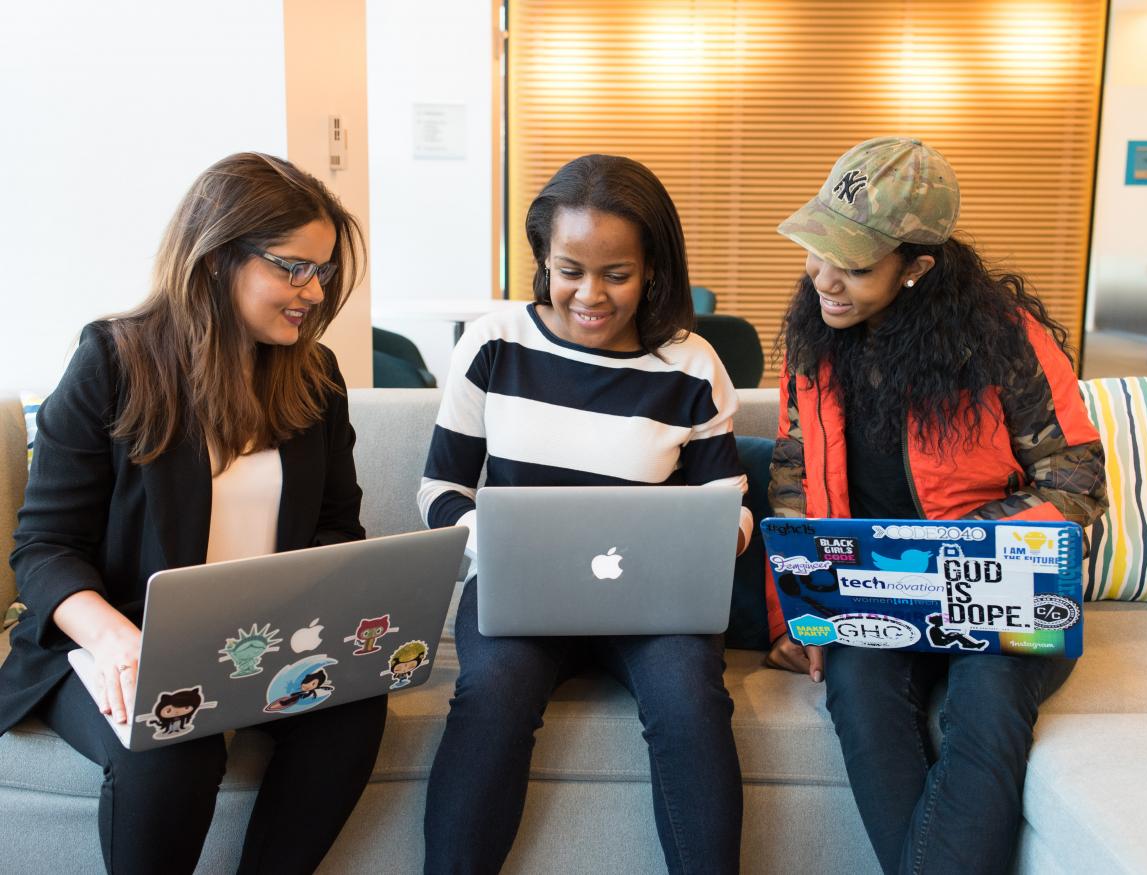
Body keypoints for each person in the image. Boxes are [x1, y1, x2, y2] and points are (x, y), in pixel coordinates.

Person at [0, 152, 386, 875]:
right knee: (175, 739)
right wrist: (117, 640)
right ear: (216, 257)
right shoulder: (112, 362)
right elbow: (45, 547)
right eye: (292, 267)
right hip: (113, 646)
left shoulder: (315, 374)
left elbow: (338, 527)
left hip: (264, 644)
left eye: (324, 270)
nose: (314, 290)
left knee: (353, 715)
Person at [765, 137, 1108, 874]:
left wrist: (955, 547)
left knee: (984, 706)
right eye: (817, 249)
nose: (824, 277)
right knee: (858, 692)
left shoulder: (1005, 342)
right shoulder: (811, 341)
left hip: (1005, 591)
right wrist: (797, 615)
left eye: (853, 265)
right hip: (877, 592)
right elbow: (794, 477)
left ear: (917, 267)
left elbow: (1076, 479)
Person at [418, 154, 750, 874]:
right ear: (544, 259)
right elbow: (440, 488)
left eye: (617, 274)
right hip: (518, 593)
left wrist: (720, 533)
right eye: (570, 269)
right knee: (490, 697)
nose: (590, 295)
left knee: (692, 702)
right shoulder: (495, 342)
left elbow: (730, 502)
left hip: (654, 602)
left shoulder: (691, 365)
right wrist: (494, 540)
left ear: (654, 267)